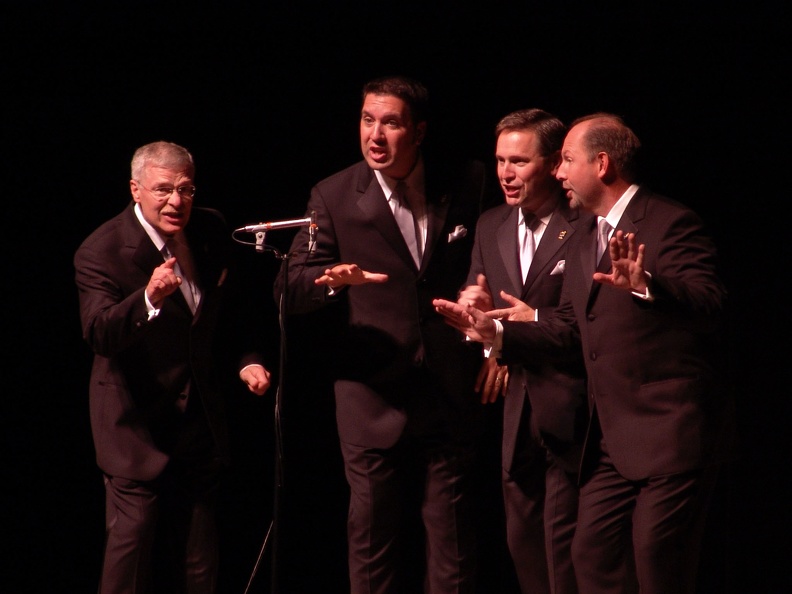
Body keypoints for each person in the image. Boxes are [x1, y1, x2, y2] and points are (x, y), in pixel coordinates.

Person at [433, 113, 732, 594]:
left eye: (567, 160)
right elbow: (570, 326)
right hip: (608, 438)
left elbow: (711, 304)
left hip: (667, 430)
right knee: (591, 555)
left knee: (657, 563)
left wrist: (648, 286)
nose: (559, 172)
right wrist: (496, 333)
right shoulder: (586, 237)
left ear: (602, 164)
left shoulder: (669, 221)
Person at [274, 75, 489, 594]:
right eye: (367, 120)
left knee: (454, 546)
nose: (375, 134)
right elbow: (289, 287)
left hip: (448, 389)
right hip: (371, 394)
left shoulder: (467, 180)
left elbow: (493, 254)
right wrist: (330, 281)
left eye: (390, 123)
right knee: (372, 546)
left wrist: (485, 306)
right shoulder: (333, 194)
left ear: (418, 131)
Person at [74, 141, 273, 594]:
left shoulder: (209, 227)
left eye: (185, 189)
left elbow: (231, 316)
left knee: (199, 561)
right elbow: (99, 333)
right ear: (135, 189)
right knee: (130, 557)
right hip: (135, 425)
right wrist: (148, 298)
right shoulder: (102, 250)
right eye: (163, 189)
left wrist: (249, 361)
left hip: (197, 423)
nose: (176, 201)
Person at [459, 108, 588, 594]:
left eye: (519, 161)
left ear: (554, 164)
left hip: (570, 408)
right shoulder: (490, 223)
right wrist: (473, 311)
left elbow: (586, 321)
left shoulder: (583, 223)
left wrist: (522, 325)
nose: (505, 174)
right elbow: (481, 300)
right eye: (500, 161)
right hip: (514, 415)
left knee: (564, 556)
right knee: (523, 548)